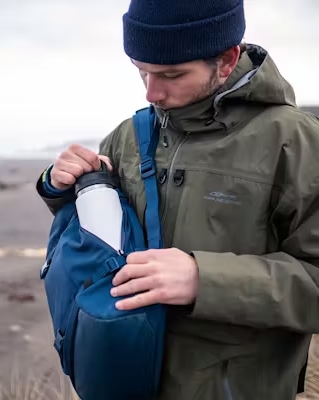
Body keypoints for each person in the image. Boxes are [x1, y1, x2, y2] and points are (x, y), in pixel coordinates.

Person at [36, 1, 319, 399]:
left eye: (172, 74)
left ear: (226, 60)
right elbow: (97, 241)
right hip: (124, 379)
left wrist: (205, 280)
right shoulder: (127, 136)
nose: (152, 92)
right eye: (141, 71)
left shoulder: (298, 143)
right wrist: (64, 187)